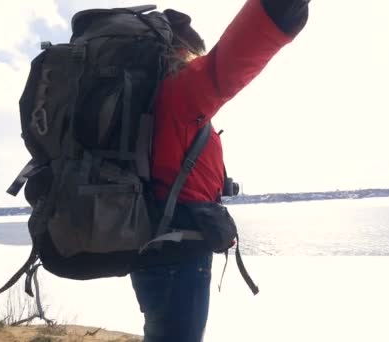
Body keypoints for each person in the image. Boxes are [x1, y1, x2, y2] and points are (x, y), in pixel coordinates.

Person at [130, 0, 310, 341]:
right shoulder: (178, 94)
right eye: (194, 55)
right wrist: (280, 9)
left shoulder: (145, 106)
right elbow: (230, 61)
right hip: (178, 255)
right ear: (181, 52)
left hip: (152, 250)